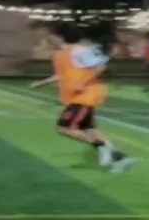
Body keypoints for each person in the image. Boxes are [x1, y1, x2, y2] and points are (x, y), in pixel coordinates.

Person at [31, 25, 135, 173]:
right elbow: (62, 75)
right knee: (89, 129)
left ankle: (102, 147)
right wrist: (42, 83)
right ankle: (119, 158)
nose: (47, 39)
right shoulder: (61, 55)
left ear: (60, 37)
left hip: (86, 95)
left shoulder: (79, 50)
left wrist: (82, 83)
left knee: (64, 128)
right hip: (76, 96)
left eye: (51, 36)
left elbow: (101, 66)